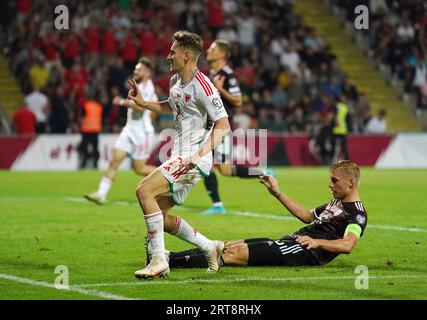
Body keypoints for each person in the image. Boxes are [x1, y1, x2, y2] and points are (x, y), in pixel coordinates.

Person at [125, 31, 231, 279]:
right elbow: (169, 105)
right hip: (182, 154)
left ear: (186, 55)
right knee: (161, 216)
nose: (168, 55)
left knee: (143, 191)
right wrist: (143, 103)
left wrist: (198, 154)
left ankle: (159, 260)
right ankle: (210, 246)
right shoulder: (175, 82)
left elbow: (224, 125)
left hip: (193, 157)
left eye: (172, 52)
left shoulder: (204, 86)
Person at [156, 160, 367, 269]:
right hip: (293, 242)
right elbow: (307, 215)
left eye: (334, 181)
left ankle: (170, 261)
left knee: (231, 255)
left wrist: (317, 242)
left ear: (351, 182)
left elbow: (348, 245)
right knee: (228, 245)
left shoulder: (357, 214)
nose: (330, 185)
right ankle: (166, 255)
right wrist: (277, 193)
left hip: (305, 253)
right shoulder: (336, 202)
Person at [202, 39, 272, 215]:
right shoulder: (212, 73)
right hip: (211, 125)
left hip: (222, 125)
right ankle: (263, 172)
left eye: (212, 49)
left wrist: (220, 89)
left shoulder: (227, 75)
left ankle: (217, 205)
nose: (208, 50)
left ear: (222, 54)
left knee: (208, 164)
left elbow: (238, 101)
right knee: (223, 169)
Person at [84, 57, 158, 205]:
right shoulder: (137, 86)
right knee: (114, 161)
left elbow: (141, 106)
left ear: (147, 72)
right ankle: (101, 194)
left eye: (139, 69)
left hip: (141, 133)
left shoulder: (148, 87)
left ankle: (169, 177)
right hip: (129, 129)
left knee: (139, 168)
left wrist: (122, 102)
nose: (135, 71)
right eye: (135, 68)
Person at [79, 90, 103, 169]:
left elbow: (81, 117)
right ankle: (95, 165)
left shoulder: (86, 106)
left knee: (85, 149)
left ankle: (83, 164)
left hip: (86, 130)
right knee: (95, 149)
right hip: (96, 130)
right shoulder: (99, 106)